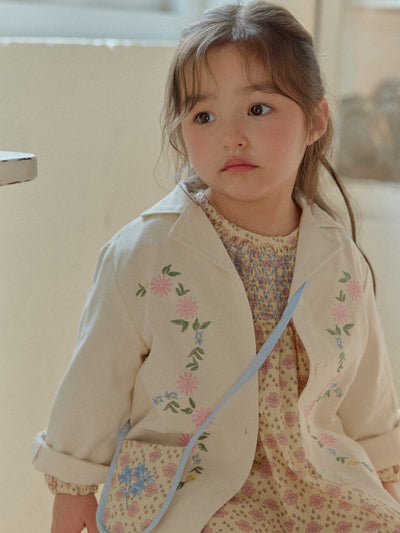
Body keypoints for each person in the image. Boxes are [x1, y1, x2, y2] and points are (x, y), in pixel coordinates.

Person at [32, 2, 400, 532]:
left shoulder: (337, 254)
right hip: (192, 486)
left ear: (316, 121)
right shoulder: (145, 251)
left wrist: (384, 486)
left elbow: (369, 393)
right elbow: (94, 383)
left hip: (317, 481)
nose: (231, 136)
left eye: (258, 108)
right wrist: (73, 494)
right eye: (203, 116)